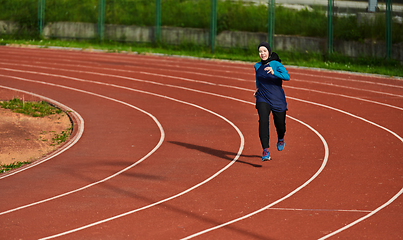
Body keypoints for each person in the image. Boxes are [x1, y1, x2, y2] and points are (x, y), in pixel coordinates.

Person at [254, 42, 290, 161]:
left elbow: (287, 77)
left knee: (280, 125)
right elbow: (258, 80)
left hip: (277, 98)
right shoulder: (257, 66)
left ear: (268, 52)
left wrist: (274, 73)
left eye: (264, 51)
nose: (262, 53)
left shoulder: (276, 64)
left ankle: (281, 137)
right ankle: (265, 149)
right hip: (263, 97)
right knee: (263, 121)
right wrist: (257, 90)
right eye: (260, 51)